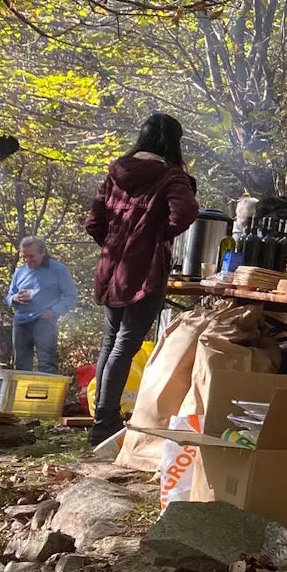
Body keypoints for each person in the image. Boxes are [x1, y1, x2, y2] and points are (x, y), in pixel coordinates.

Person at [85, 113, 199, 445]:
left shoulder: (116, 173)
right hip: (144, 270)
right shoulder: (171, 176)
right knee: (125, 343)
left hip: (112, 268)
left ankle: (102, 420)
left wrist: (116, 243)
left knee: (112, 342)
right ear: (173, 143)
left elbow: (94, 222)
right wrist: (153, 237)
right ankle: (105, 423)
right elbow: (186, 212)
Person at [7, 237, 78, 375]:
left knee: (47, 364)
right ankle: (22, 396)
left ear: (42, 252)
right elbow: (9, 295)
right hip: (21, 322)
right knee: (21, 365)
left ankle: (48, 396)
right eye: (24, 256)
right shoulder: (20, 271)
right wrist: (15, 298)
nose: (27, 260)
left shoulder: (58, 269)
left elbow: (71, 296)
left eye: (31, 256)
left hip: (44, 321)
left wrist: (54, 311)